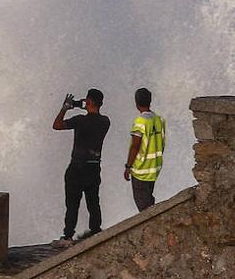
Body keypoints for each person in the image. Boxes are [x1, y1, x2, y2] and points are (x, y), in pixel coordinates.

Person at [51, 88, 109, 247]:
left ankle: (68, 236)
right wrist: (83, 105)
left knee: (72, 204)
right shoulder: (105, 122)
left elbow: (56, 125)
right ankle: (96, 231)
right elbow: (93, 114)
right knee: (93, 202)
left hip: (77, 168)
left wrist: (65, 108)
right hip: (94, 167)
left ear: (89, 102)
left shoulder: (79, 121)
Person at [123, 87, 166, 211]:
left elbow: (135, 146)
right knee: (148, 199)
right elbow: (161, 142)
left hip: (141, 169)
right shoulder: (159, 120)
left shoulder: (140, 121)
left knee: (143, 206)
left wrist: (128, 166)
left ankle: (153, 227)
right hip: (154, 167)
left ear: (136, 103)